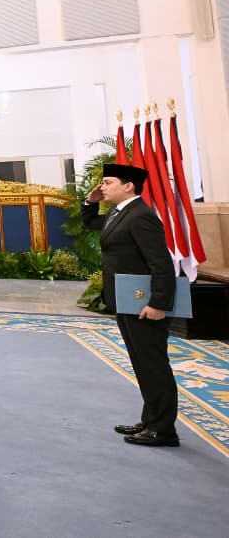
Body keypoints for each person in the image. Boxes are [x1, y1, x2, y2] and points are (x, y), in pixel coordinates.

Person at [84, 163, 180, 447]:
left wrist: (158, 303)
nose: (103, 187)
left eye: (108, 182)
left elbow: (161, 263)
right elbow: (92, 223)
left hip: (143, 304)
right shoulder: (119, 212)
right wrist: (90, 201)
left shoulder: (141, 216)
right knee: (142, 364)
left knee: (153, 365)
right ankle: (151, 420)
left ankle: (163, 429)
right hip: (126, 301)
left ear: (128, 186)